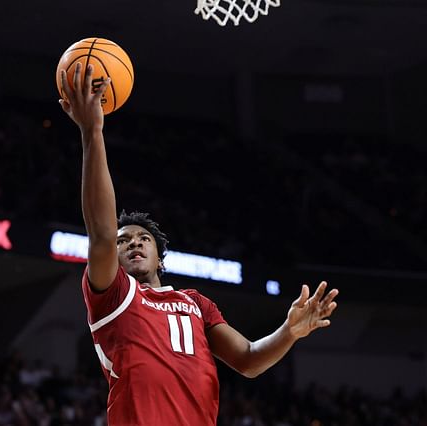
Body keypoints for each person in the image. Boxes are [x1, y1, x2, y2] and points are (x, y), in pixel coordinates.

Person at [58, 63, 339, 426]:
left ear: (160, 258)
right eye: (123, 241)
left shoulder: (196, 304)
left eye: (143, 239)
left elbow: (250, 359)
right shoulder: (112, 296)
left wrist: (289, 332)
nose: (133, 244)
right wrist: (92, 131)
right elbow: (100, 231)